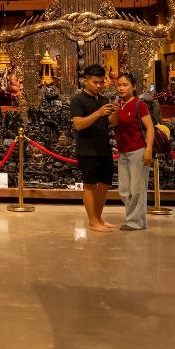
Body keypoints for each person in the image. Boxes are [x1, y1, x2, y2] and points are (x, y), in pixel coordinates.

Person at [70, 64, 119, 233]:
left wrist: (115, 111)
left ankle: (98, 218)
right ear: (86, 81)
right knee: (90, 185)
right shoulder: (78, 100)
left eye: (101, 82)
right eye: (95, 82)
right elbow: (78, 124)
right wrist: (98, 113)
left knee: (104, 185)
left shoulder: (104, 100)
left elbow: (113, 123)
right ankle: (92, 221)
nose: (99, 86)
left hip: (104, 148)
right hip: (87, 149)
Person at [110, 73, 155, 231]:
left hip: (138, 150)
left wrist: (148, 149)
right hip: (123, 151)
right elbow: (113, 123)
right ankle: (137, 220)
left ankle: (135, 221)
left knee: (137, 189)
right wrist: (115, 111)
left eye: (125, 85)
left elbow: (150, 128)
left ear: (133, 87)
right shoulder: (117, 103)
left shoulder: (139, 104)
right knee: (124, 189)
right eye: (119, 85)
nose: (121, 88)